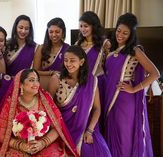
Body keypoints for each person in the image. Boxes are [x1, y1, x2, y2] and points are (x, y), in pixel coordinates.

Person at [0, 69, 78, 157]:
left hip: (44, 144)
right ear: (20, 84)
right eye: (31, 80)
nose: (36, 84)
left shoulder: (45, 100)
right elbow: (2, 135)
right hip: (19, 146)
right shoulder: (11, 104)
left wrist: (42, 143)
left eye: (37, 80)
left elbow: (57, 127)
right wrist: (22, 146)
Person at [103, 13, 160, 157]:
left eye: (125, 33)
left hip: (125, 100)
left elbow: (155, 73)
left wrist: (134, 88)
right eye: (118, 31)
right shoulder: (111, 50)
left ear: (131, 34)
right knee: (112, 134)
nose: (120, 35)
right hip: (109, 98)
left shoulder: (135, 50)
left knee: (125, 137)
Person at [48, 45, 112, 157]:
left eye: (72, 60)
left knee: (99, 152)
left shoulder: (91, 81)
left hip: (85, 126)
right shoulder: (56, 79)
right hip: (62, 128)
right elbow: (47, 106)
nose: (68, 64)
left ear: (81, 62)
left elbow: (97, 109)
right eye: (66, 60)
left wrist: (90, 131)